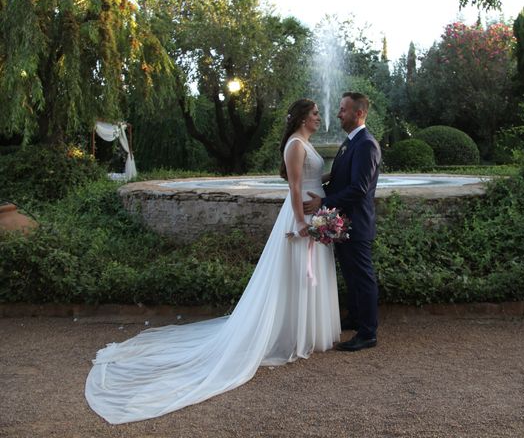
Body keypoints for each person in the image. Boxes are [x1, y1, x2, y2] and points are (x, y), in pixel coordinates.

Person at [85, 98, 341, 424]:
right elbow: (293, 186)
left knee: (308, 275)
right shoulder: (294, 144)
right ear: (303, 117)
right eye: (316, 114)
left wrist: (339, 174)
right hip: (300, 217)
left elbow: (315, 177)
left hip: (315, 210)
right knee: (294, 276)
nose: (319, 118)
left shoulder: (306, 143)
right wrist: (301, 222)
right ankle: (291, 333)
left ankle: (307, 331)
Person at [304, 91, 381, 352]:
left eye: (343, 110)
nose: (338, 114)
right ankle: (356, 318)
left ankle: (368, 333)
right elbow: (341, 177)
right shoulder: (351, 142)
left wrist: (322, 203)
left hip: (357, 223)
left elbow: (359, 189)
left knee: (362, 277)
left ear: (358, 113)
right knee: (350, 274)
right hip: (345, 223)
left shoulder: (366, 144)